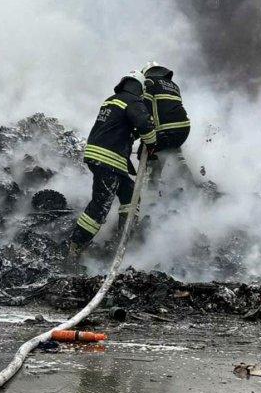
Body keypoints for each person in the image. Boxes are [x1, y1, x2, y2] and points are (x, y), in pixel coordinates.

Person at [65, 71, 155, 270]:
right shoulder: (133, 101)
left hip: (103, 155)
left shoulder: (112, 100)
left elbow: (119, 128)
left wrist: (134, 134)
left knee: (130, 196)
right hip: (109, 158)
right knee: (101, 205)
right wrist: (152, 143)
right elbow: (145, 125)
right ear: (139, 88)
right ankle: (75, 246)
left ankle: (123, 240)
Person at [140, 62, 199, 192]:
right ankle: (192, 188)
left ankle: (151, 191)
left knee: (152, 156)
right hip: (183, 129)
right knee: (174, 152)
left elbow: (144, 107)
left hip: (165, 129)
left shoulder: (149, 83)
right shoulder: (174, 85)